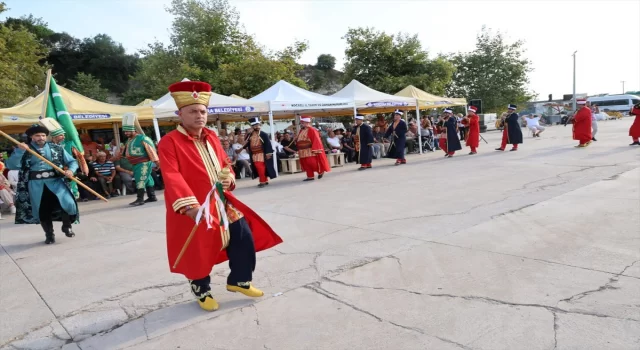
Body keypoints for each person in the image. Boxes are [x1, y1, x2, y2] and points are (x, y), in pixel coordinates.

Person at [158, 80, 282, 312]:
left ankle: (239, 280)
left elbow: (225, 163)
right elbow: (171, 175)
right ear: (180, 114)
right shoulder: (169, 142)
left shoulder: (212, 137)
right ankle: (201, 290)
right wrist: (191, 207)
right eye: (193, 111)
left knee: (243, 234)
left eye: (203, 111)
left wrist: (229, 178)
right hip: (192, 206)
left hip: (221, 201)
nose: (199, 115)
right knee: (198, 247)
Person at [13, 124, 79, 244]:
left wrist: (70, 170)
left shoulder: (56, 148)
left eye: (43, 135)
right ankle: (49, 235)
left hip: (56, 182)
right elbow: (12, 165)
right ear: (31, 137)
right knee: (43, 210)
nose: (41, 138)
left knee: (67, 203)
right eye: (37, 135)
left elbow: (72, 161)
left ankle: (66, 226)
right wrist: (19, 152)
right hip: (35, 185)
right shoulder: (24, 149)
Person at [122, 113, 160, 206]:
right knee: (148, 179)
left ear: (133, 130)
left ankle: (140, 199)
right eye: (125, 131)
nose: (126, 133)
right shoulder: (129, 140)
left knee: (140, 180)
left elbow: (151, 150)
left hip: (143, 163)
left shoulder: (143, 138)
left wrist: (157, 162)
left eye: (127, 131)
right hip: (135, 164)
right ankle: (152, 196)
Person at [295, 116, 331, 181]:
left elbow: (316, 139)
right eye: (301, 122)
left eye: (302, 122)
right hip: (302, 150)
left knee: (311, 162)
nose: (301, 123)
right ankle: (310, 176)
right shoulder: (301, 130)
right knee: (306, 164)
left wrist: (316, 149)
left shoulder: (312, 129)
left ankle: (320, 171)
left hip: (310, 150)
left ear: (307, 122)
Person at [244, 117, 276, 188]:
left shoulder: (263, 134)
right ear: (252, 126)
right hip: (254, 154)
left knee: (260, 167)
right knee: (259, 167)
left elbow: (268, 144)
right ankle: (265, 180)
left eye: (258, 125)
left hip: (261, 153)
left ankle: (262, 182)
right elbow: (245, 142)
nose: (256, 126)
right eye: (255, 125)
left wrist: (268, 153)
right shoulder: (250, 134)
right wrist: (247, 133)